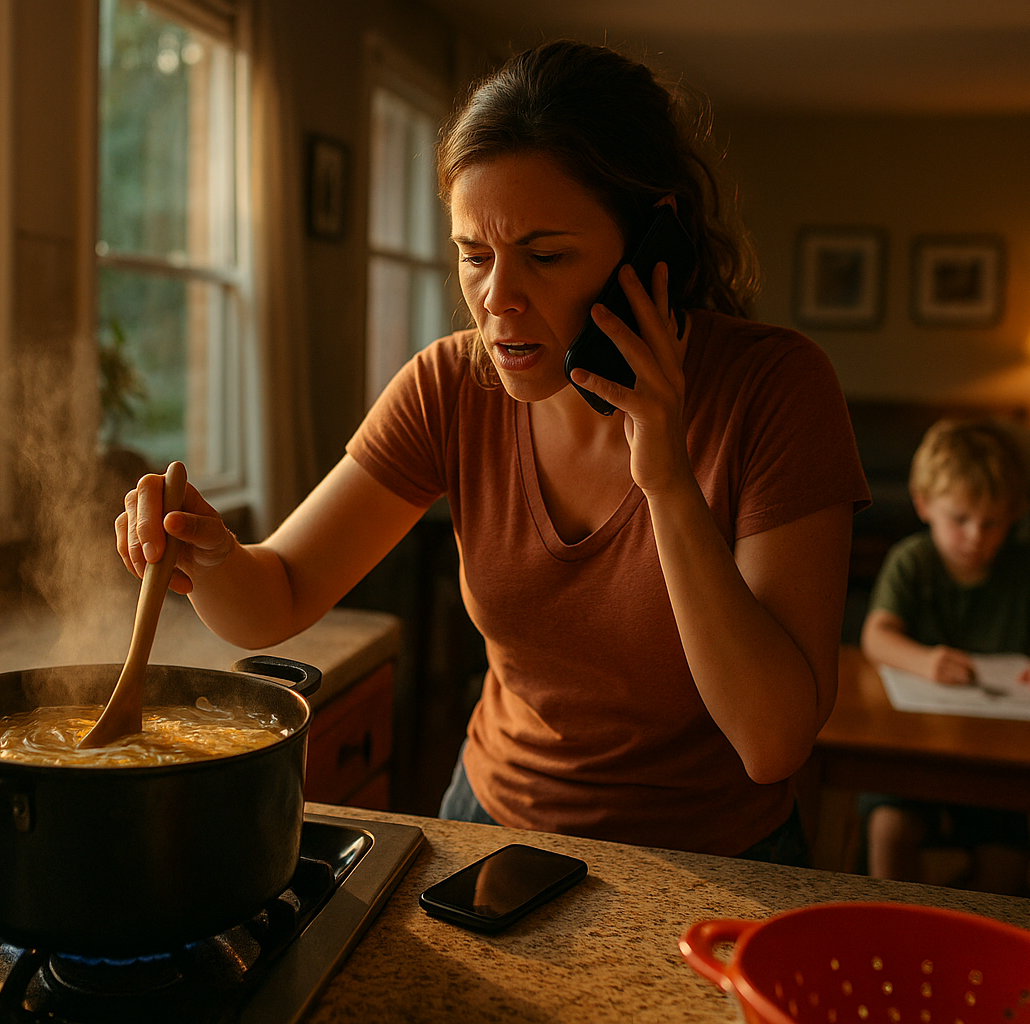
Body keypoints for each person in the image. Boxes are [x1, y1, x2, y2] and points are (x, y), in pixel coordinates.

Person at [116, 41, 869, 863]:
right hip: (490, 830)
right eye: (474, 256)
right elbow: (277, 596)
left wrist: (667, 483)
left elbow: (772, 742)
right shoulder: (450, 385)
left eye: (545, 257)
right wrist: (211, 553)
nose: (496, 300)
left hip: (711, 864)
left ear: (655, 243)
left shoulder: (778, 389)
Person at [858, 418, 1030, 893]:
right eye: (960, 519)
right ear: (924, 504)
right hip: (912, 750)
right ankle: (897, 931)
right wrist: (925, 661)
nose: (976, 536)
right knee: (889, 831)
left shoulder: (1028, 566)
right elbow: (876, 636)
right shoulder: (912, 560)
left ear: (1014, 514)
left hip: (998, 761)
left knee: (1006, 870)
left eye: (991, 523)